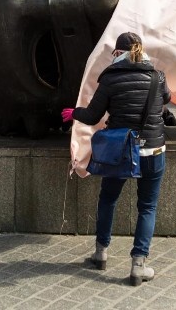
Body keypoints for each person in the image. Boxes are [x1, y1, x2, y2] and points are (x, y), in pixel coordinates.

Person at [65, 32, 170, 286]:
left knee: (108, 199)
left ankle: (101, 253)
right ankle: (138, 265)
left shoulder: (110, 79)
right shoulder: (157, 76)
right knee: (147, 206)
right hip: (153, 151)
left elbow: (91, 116)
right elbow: (166, 99)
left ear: (117, 53)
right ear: (140, 50)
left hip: (121, 151)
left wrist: (73, 113)